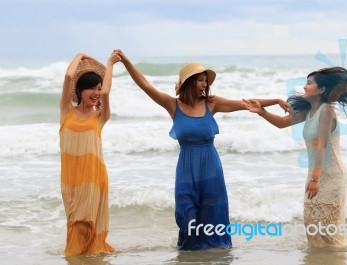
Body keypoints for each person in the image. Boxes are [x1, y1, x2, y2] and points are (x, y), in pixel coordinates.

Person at [114, 49, 289, 250]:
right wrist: (126, 61)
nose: (205, 84)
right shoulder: (173, 105)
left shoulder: (212, 104)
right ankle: (189, 253)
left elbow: (247, 104)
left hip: (211, 169)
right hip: (186, 170)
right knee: (186, 215)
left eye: (206, 81)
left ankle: (211, 257)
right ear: (189, 82)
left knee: (213, 214)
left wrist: (275, 101)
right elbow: (145, 85)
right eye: (200, 80)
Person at [243, 67, 347, 247]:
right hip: (315, 176)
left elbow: (322, 146)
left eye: (309, 83)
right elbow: (281, 123)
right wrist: (262, 111)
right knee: (311, 226)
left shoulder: (326, 111)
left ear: (322, 90)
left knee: (328, 231)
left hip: (330, 177)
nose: (304, 86)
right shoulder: (309, 111)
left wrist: (315, 179)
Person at [59, 52, 120, 256]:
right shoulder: (66, 111)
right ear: (80, 89)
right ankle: (79, 257)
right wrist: (79, 56)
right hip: (71, 181)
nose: (96, 92)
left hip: (94, 179)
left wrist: (110, 64)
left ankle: (79, 259)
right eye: (91, 88)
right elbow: (68, 77)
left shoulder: (100, 116)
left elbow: (106, 93)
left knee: (87, 225)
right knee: (76, 224)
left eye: (98, 88)